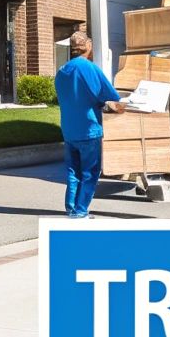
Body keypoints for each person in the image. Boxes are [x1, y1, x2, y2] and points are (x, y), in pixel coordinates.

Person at [53, 32, 126, 219]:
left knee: (72, 171)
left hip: (69, 130)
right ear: (88, 47)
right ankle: (80, 211)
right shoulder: (90, 69)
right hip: (89, 129)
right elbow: (110, 97)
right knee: (90, 173)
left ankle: (71, 207)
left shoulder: (61, 72)